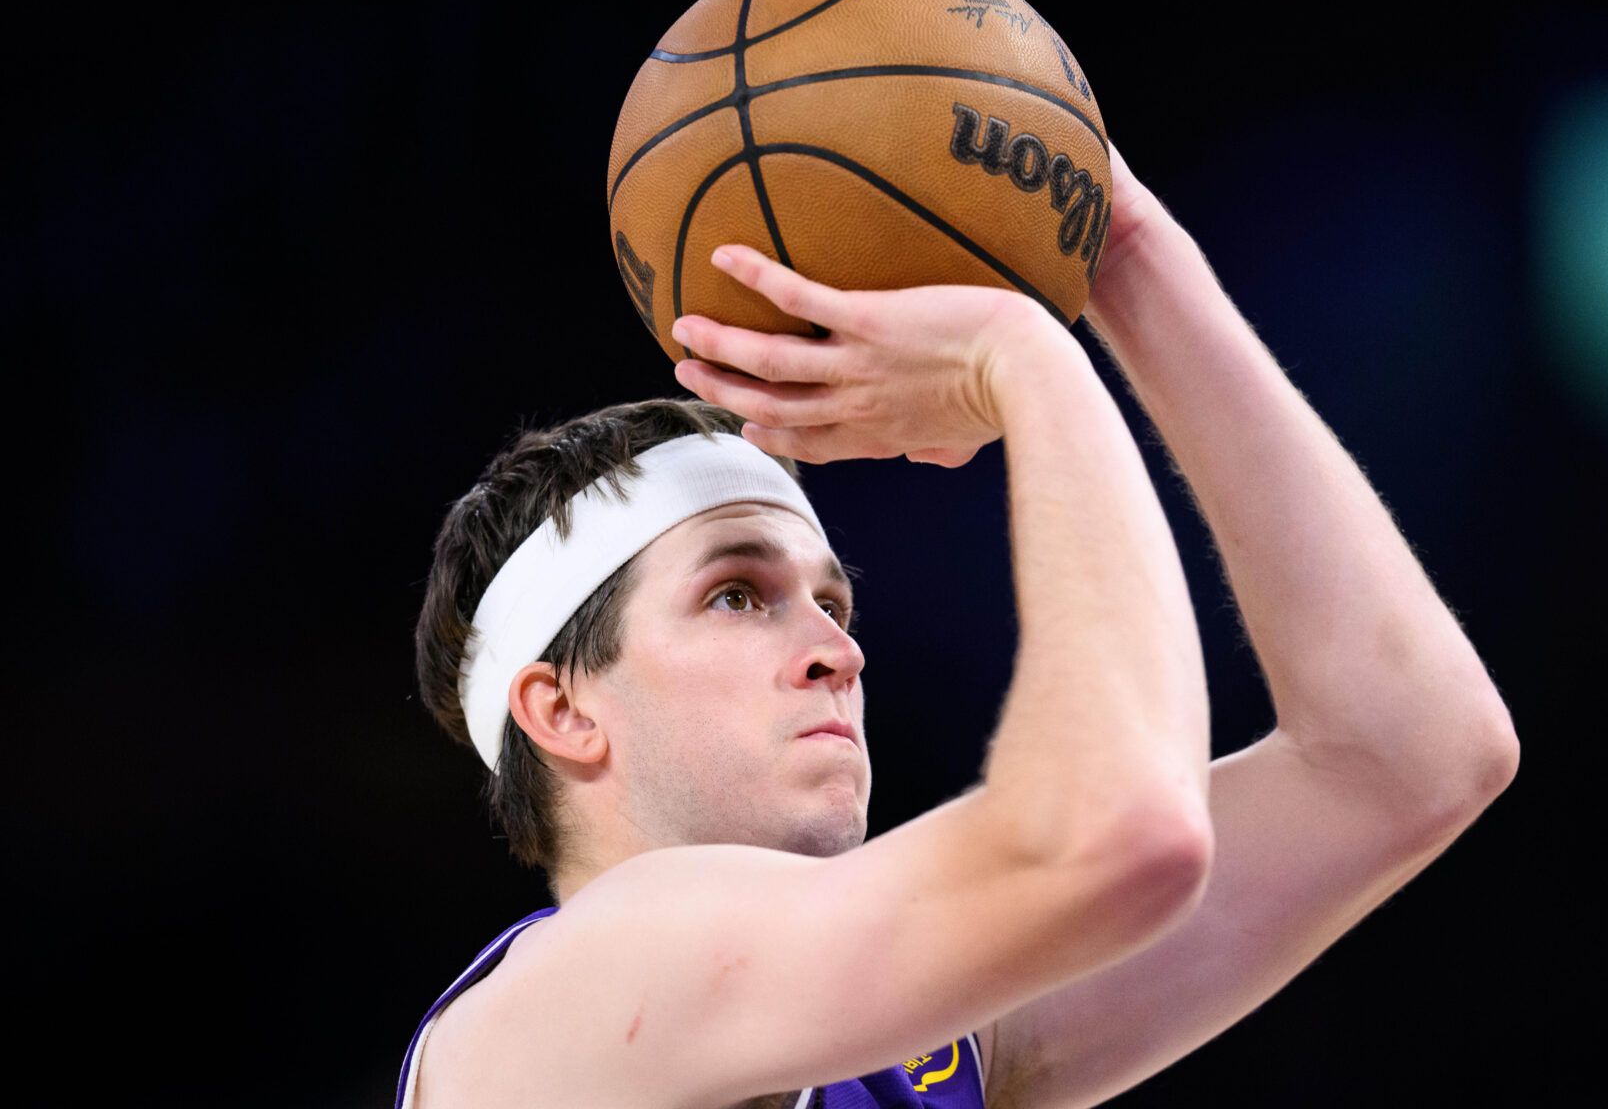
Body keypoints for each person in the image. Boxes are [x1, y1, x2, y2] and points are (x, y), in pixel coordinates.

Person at [396, 143, 1520, 1109]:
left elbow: (1409, 754)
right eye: (736, 593)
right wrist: (1029, 362)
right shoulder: (573, 994)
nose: (840, 648)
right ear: (561, 705)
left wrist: (1123, 248)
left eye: (831, 599)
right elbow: (1123, 831)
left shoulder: (905, 1046)